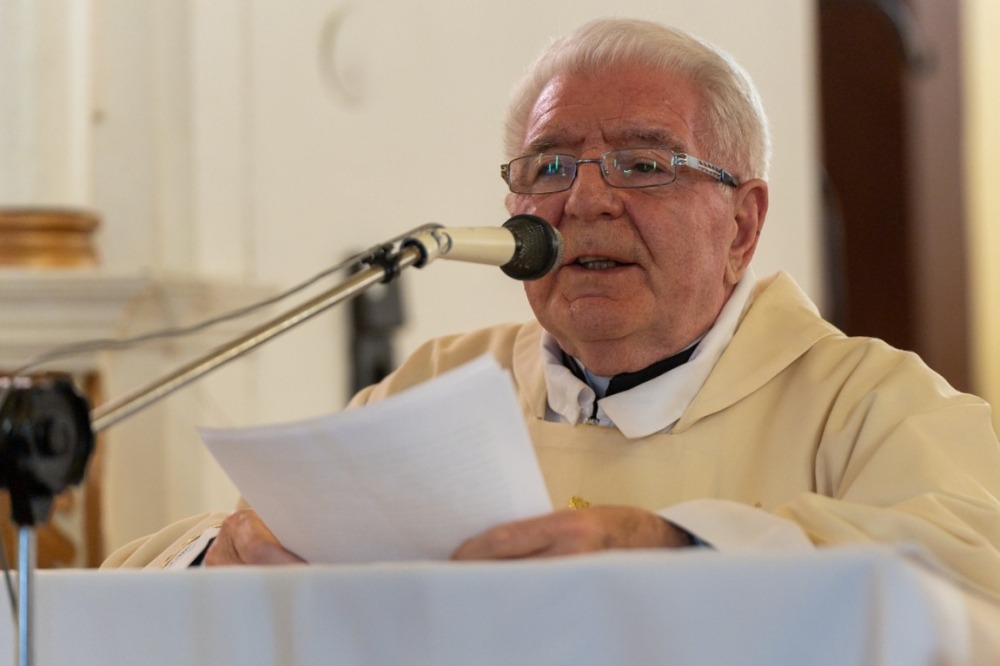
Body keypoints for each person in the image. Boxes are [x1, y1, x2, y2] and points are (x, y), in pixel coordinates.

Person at [102, 18, 1000, 603]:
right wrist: (226, 558)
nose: (586, 201)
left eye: (644, 164)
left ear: (742, 224)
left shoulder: (864, 400)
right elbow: (141, 576)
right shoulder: (444, 383)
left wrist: (673, 546)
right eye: (551, 167)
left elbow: (969, 566)